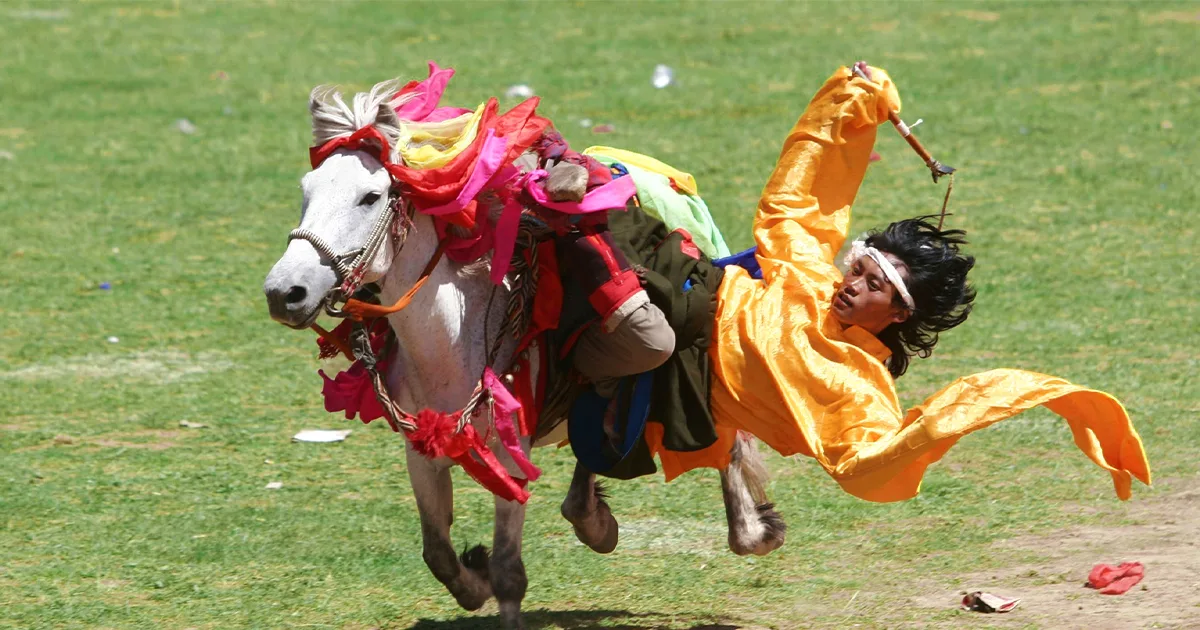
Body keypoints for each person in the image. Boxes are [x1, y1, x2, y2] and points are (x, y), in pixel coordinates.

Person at [638, 62, 1149, 503]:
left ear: (900, 313)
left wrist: (1007, 394)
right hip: (679, 286)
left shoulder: (858, 388)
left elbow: (868, 466)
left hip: (675, 366)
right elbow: (799, 199)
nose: (852, 284)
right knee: (618, 184)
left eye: (872, 286)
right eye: (856, 268)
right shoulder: (808, 273)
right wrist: (854, 97)